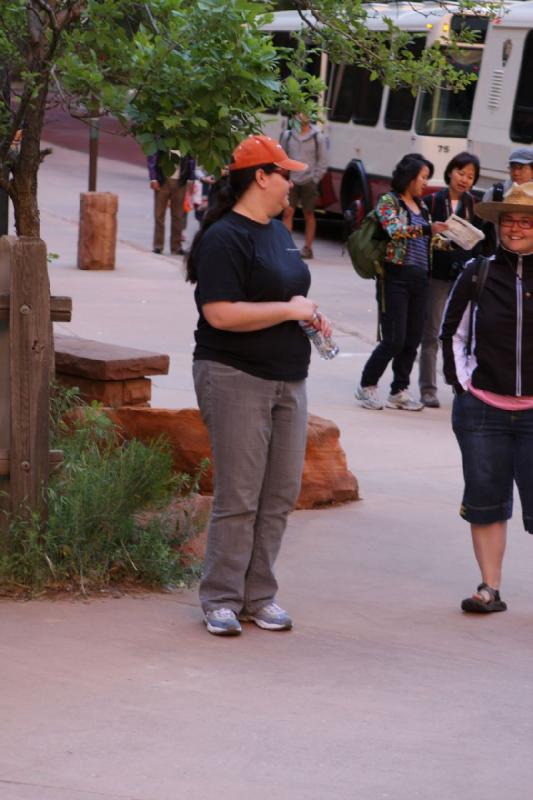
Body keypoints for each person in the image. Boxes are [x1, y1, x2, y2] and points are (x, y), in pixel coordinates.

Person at [185, 134, 332, 636]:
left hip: (288, 378)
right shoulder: (225, 237)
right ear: (261, 177)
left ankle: (258, 596)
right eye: (286, 174)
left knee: (278, 494)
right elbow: (220, 313)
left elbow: (282, 295)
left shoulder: (275, 231)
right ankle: (221, 598)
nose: (293, 182)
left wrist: (308, 315)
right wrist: (289, 309)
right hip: (234, 376)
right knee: (240, 495)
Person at [441, 181, 533, 614]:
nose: (515, 228)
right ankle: (489, 589)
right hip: (483, 410)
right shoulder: (477, 271)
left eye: (525, 221)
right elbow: (452, 333)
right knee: (486, 500)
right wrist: (463, 386)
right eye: (508, 220)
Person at [355, 154, 448, 411]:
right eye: (422, 177)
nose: (424, 183)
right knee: (393, 338)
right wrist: (430, 230)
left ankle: (399, 390)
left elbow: (425, 241)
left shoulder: (422, 207)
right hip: (395, 276)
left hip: (421, 278)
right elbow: (395, 231)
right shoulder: (389, 202)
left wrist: (450, 237)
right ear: (409, 176)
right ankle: (367, 386)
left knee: (412, 338)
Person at [418, 152, 481, 408]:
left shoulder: (475, 206)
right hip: (437, 275)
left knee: (463, 334)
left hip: (464, 277)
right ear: (450, 172)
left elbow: (479, 244)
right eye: (461, 172)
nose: (464, 179)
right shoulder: (432, 201)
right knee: (432, 333)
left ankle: (462, 383)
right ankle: (428, 389)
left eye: (470, 176)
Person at [281, 113, 327, 259]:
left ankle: (307, 248)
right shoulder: (288, 135)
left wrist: (315, 179)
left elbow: (323, 161)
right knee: (288, 212)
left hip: (309, 181)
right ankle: (286, 246)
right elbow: (282, 156)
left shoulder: (317, 137)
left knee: (309, 214)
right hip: (292, 180)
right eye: (298, 114)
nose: (301, 117)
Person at [478, 147, 533, 254]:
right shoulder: (495, 193)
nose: (516, 173)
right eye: (513, 168)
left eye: (521, 168)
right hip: (500, 258)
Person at [147, 149, 195, 255]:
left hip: (180, 181)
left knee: (178, 215)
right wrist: (153, 178)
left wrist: (191, 178)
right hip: (162, 180)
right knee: (159, 215)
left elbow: (191, 159)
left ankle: (176, 247)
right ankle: (158, 246)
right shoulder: (161, 139)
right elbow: (152, 157)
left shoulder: (185, 141)